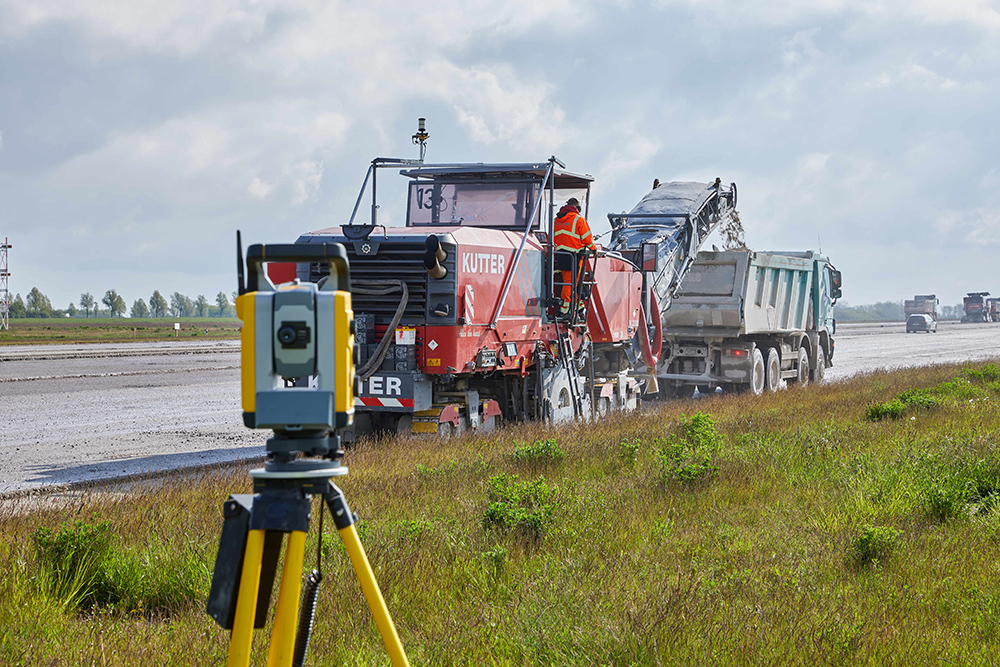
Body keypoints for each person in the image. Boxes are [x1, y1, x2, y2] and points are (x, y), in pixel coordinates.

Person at [553, 197, 596, 315]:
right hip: (575, 256)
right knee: (571, 282)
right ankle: (564, 309)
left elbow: (552, 238)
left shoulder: (556, 220)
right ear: (577, 208)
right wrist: (594, 249)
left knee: (571, 282)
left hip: (561, 255)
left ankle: (579, 306)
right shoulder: (579, 219)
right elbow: (587, 239)